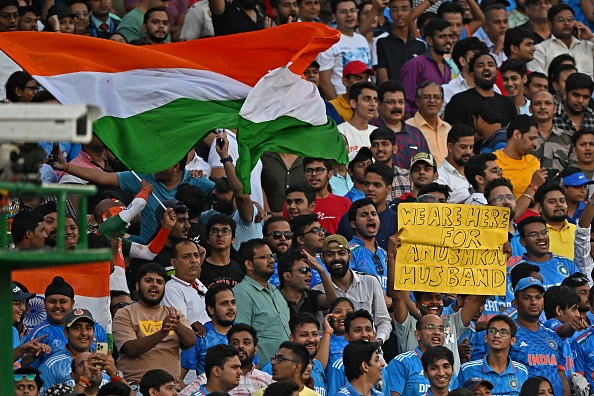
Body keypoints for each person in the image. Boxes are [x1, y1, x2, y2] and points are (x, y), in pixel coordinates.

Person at [113, 262, 196, 386]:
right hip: (138, 386)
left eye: (159, 282)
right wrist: (163, 332)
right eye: (148, 280)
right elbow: (131, 349)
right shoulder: (124, 313)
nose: (154, 285)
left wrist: (178, 326)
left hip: (172, 387)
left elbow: (191, 341)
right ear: (137, 286)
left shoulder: (173, 313)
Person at [313, 235, 391, 345]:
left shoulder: (370, 282)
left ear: (350, 256)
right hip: (335, 354)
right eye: (330, 254)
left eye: (341, 253)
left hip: (370, 349)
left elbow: (384, 321)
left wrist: (378, 341)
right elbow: (321, 331)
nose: (336, 258)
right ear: (322, 258)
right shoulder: (318, 290)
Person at [24, 276, 108, 367]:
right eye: (52, 302)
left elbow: (103, 363)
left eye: (63, 302)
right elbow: (27, 370)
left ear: (72, 303)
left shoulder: (96, 328)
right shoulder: (38, 333)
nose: (57, 306)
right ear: (44, 303)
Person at [509, 276, 571, 396]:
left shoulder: (553, 336)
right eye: (527, 298)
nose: (534, 302)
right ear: (515, 303)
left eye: (538, 297)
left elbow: (561, 375)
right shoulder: (508, 334)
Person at [234, 239, 291, 365]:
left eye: (272, 256)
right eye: (265, 257)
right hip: (262, 372)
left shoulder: (275, 291)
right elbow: (240, 337)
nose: (271, 260)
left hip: (285, 369)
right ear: (249, 264)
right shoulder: (241, 293)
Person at [39, 309, 115, 392]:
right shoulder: (51, 365)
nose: (84, 333)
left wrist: (116, 375)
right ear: (66, 333)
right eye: (77, 328)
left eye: (88, 328)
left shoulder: (105, 362)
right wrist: (83, 381)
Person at [458, 314, 530, 395]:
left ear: (513, 340)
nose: (497, 335)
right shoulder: (467, 370)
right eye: (492, 331)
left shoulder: (521, 371)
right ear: (486, 337)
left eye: (503, 332)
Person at [179, 283, 236, 385]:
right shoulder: (200, 336)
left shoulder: (243, 334)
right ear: (211, 309)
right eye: (224, 303)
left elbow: (253, 370)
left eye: (233, 302)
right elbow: (178, 377)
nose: (231, 307)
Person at [444, 51, 517, 127]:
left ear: (496, 73)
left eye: (490, 65)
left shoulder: (508, 104)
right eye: (480, 66)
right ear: (473, 74)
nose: (486, 68)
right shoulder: (458, 101)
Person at [369, 81, 431, 169]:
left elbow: (428, 166)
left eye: (401, 102)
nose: (397, 106)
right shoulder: (369, 130)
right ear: (379, 105)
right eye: (391, 102)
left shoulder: (415, 134)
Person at [317, 0, 371, 100]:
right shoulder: (329, 42)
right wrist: (338, 109)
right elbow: (325, 82)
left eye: (352, 10)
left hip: (365, 102)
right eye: (343, 12)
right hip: (342, 100)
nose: (349, 15)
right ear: (334, 16)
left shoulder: (362, 40)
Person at [383, 314, 448, 396]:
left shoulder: (448, 367)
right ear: (417, 334)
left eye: (441, 329)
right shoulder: (401, 363)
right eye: (430, 327)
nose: (437, 332)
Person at [400, 18, 453, 115]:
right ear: (429, 40)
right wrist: (409, 128)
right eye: (442, 37)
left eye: (450, 36)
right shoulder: (415, 64)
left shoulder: (448, 67)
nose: (448, 40)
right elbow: (406, 99)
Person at [527, 3, 594, 78]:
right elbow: (537, 81)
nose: (566, 23)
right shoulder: (540, 50)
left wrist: (591, 38)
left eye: (570, 19)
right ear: (550, 24)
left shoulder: (588, 46)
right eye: (560, 20)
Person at [163, 239, 209, 336]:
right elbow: (181, 326)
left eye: (196, 255)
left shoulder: (200, 285)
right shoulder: (171, 289)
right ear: (173, 263)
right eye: (186, 256)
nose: (193, 260)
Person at [375, 0, 426, 84]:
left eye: (404, 9)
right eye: (395, 9)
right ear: (390, 12)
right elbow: (382, 79)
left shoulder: (420, 45)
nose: (399, 14)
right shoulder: (382, 42)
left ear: (411, 12)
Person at [278, 251, 337, 319]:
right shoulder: (273, 299)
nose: (310, 274)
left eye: (309, 270)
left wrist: (321, 271)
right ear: (287, 276)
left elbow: (332, 302)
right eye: (303, 270)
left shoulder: (311, 295)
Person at [494, 115, 541, 200]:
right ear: (516, 134)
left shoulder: (534, 162)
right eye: (531, 138)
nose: (535, 144)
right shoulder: (494, 161)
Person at [346, 198, 388, 291]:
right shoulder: (348, 252)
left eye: (374, 214)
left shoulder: (386, 255)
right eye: (364, 215)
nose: (370, 218)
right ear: (353, 224)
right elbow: (348, 288)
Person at [406, 82, 451, 167]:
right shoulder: (408, 127)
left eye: (436, 97)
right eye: (426, 97)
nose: (432, 101)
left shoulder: (447, 128)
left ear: (442, 102)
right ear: (418, 102)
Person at [303, 158, 351, 234]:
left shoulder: (344, 203)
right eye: (309, 171)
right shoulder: (296, 203)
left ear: (330, 174)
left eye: (319, 170)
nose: (314, 174)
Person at [253, 342, 320, 396]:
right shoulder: (260, 394)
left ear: (297, 367)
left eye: (280, 359)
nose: (273, 362)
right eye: (274, 358)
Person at [368, 127, 412, 201]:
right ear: (371, 149)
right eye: (375, 145)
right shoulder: (366, 177)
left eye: (385, 144)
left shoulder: (407, 176)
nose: (380, 149)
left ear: (394, 149)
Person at [200, 214, 244, 288]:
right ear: (208, 239)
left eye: (225, 231)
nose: (220, 234)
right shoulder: (200, 269)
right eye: (214, 231)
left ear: (233, 239)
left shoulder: (241, 269)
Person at [535, 183, 576, 259]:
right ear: (540, 207)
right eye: (552, 202)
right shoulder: (535, 234)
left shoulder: (577, 231)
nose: (559, 205)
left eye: (562, 201)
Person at [437, 123, 475, 203]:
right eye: (463, 147)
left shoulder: (476, 171)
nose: (468, 152)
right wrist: (473, 200)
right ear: (450, 147)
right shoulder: (439, 177)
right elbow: (441, 211)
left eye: (471, 147)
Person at [338, 82, 378, 153]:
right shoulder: (340, 131)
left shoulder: (377, 132)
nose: (373, 104)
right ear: (353, 103)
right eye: (366, 99)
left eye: (375, 100)